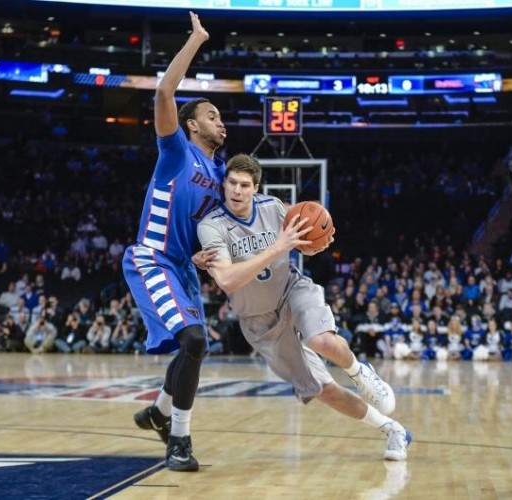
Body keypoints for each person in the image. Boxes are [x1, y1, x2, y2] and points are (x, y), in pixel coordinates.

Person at [197, 154, 411, 461]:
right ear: (224, 184)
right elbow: (228, 280)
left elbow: (313, 231)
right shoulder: (211, 226)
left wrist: (319, 240)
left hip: (291, 290)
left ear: (255, 188)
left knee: (320, 339)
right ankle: (393, 429)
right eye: (232, 182)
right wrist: (279, 246)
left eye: (245, 185)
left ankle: (360, 372)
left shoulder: (273, 208)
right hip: (258, 320)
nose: (237, 190)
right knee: (322, 389)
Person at [121, 12, 226, 472]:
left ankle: (160, 413)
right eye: (212, 115)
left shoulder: (221, 176)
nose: (221, 122)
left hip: (183, 266)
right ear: (191, 125)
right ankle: (178, 440)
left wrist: (206, 256)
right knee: (195, 340)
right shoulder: (175, 151)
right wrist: (196, 41)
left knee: (193, 348)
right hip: (152, 259)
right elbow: (165, 92)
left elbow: (208, 229)